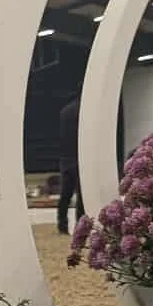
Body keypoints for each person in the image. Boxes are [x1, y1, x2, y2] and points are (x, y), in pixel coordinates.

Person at [56, 93, 83, 233]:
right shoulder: (83, 110)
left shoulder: (65, 111)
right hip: (79, 157)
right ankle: (80, 226)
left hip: (66, 157)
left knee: (65, 195)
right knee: (81, 196)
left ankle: (62, 225)